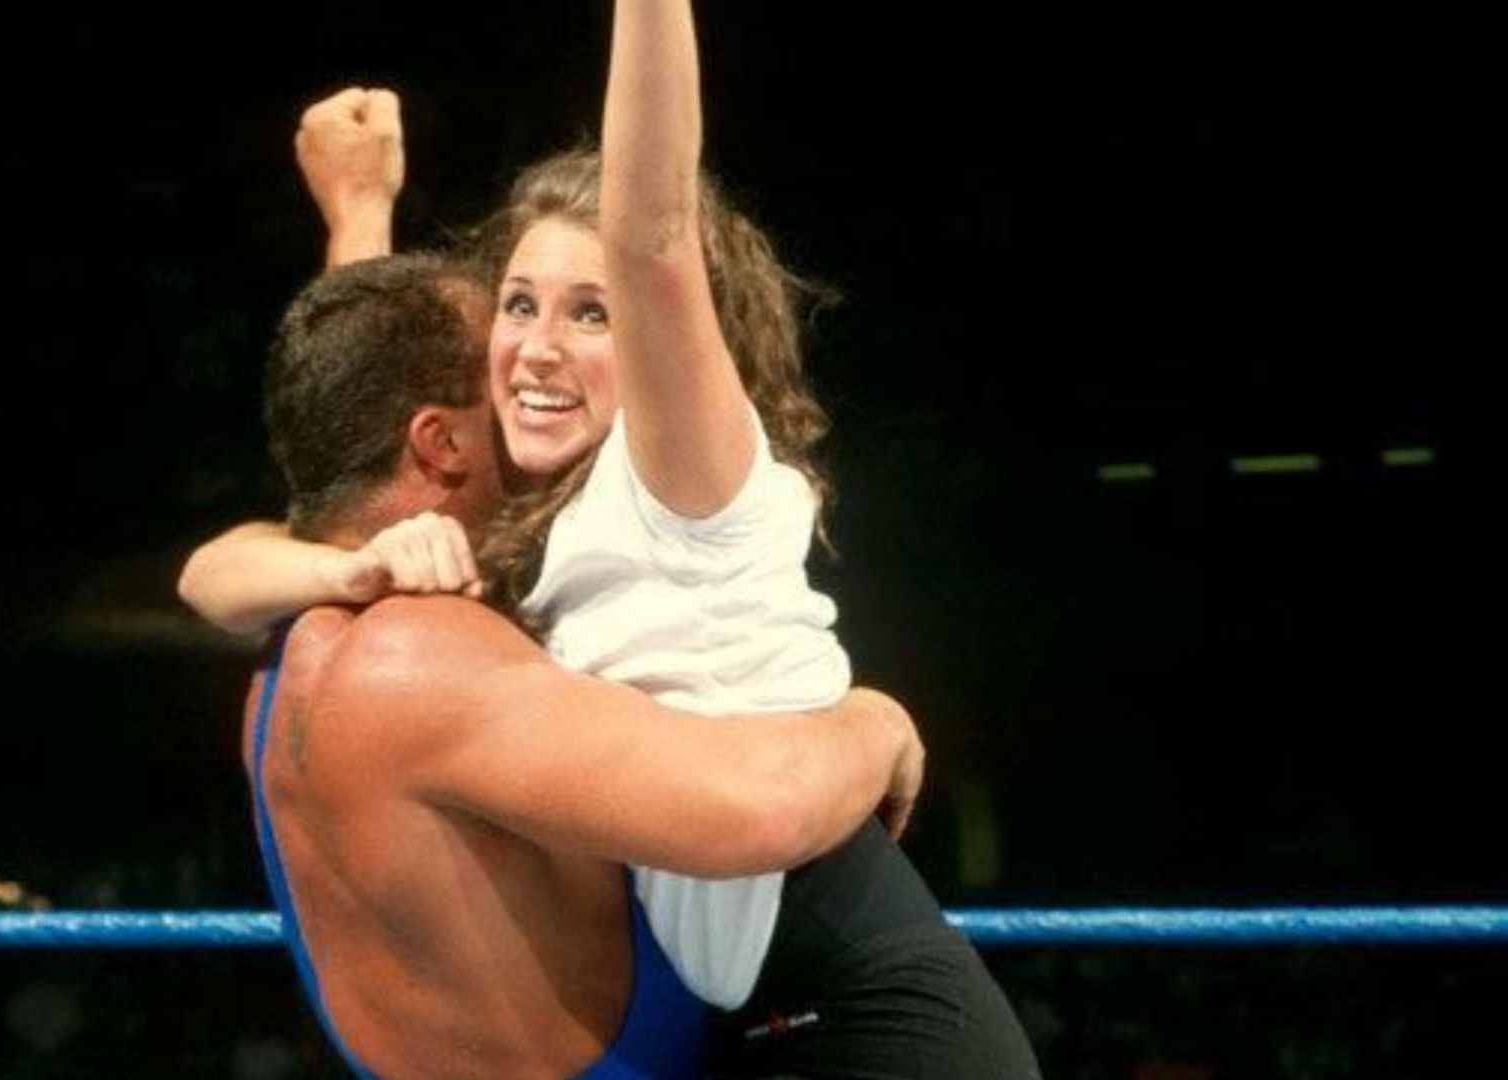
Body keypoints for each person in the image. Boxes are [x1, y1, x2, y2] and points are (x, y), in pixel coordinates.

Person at [185, 3, 1042, 1075]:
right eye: (518, 305)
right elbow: (350, 444)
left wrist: (875, 725)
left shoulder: (680, 480)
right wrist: (360, 218)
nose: (539, 349)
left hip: (866, 1011)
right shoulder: (528, 526)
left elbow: (652, 236)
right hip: (754, 1025)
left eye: (592, 314)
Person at [240, 250, 924, 1079]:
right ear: (440, 440)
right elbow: (760, 810)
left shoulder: (289, 649)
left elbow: (348, 401)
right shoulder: (415, 656)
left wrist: (355, 211)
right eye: (500, 383)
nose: (528, 384)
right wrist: (874, 723)